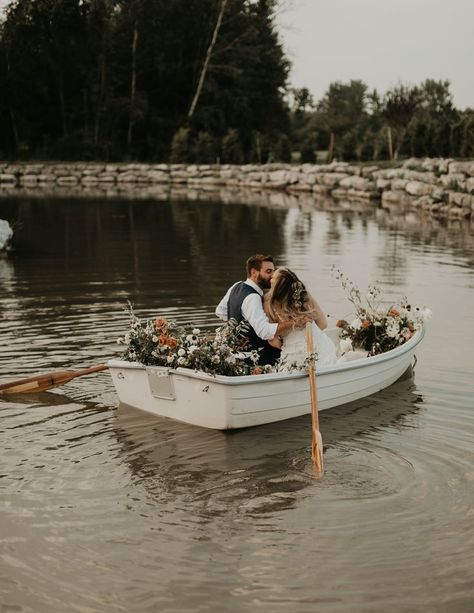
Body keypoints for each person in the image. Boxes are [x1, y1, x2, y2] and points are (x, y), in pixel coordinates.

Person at [215, 254, 307, 365]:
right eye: (268, 271)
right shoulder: (253, 297)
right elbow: (264, 332)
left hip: (234, 353)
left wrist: (239, 325)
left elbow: (220, 311)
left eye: (273, 271)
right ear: (254, 272)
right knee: (290, 353)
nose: (273, 276)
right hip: (253, 358)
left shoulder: (237, 285)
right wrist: (295, 322)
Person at [264, 267, 337, 370]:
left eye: (273, 278)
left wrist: (289, 344)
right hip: (318, 347)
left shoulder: (268, 305)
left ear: (276, 286)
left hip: (291, 353)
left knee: (288, 369)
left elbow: (273, 341)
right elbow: (323, 324)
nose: (271, 279)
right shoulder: (304, 296)